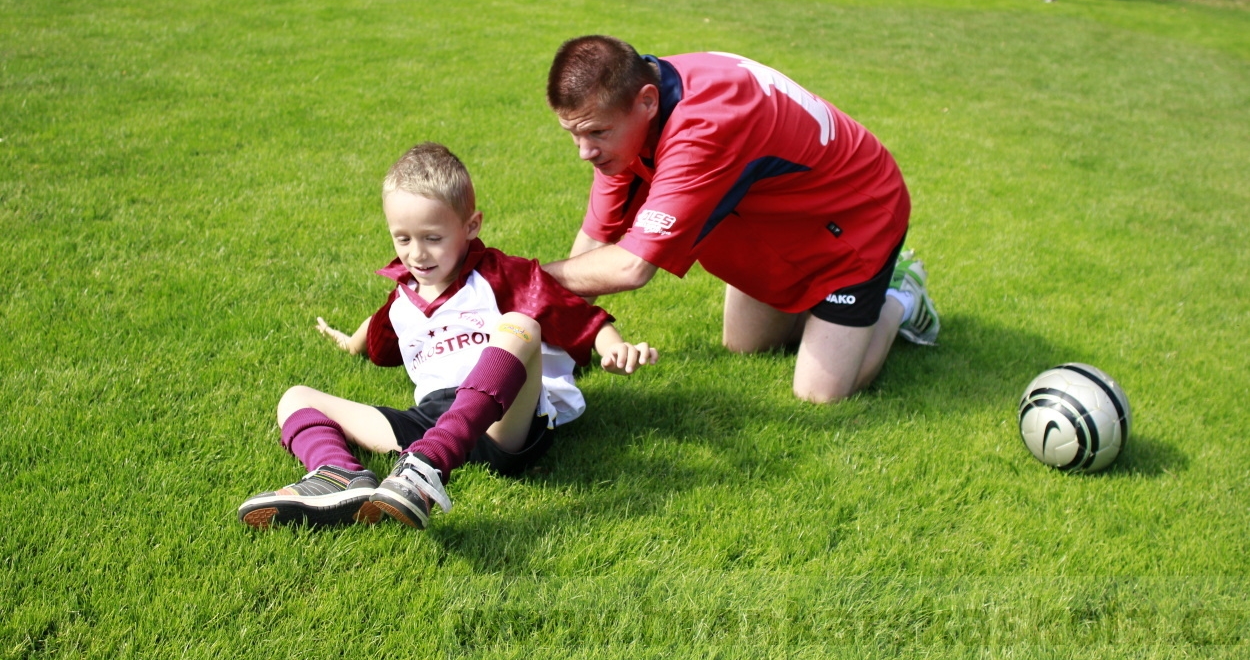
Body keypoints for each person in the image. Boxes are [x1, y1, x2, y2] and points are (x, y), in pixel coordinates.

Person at [238, 143, 657, 530]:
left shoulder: (498, 274)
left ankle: (427, 466)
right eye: (402, 238)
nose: (417, 254)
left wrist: (614, 347)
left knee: (521, 326)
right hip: (430, 420)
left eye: (433, 239)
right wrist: (351, 341)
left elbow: (574, 312)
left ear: (471, 225)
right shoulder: (402, 301)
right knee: (295, 397)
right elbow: (380, 330)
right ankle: (338, 474)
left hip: (502, 421)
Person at [541, 36, 939, 406]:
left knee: (819, 393)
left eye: (595, 133)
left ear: (647, 102)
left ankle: (899, 296)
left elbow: (632, 266)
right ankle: (828, 316)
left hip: (858, 218)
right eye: (573, 135)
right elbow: (597, 239)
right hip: (779, 222)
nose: (584, 151)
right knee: (746, 347)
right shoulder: (628, 108)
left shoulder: (703, 127)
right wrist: (558, 342)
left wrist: (522, 277)